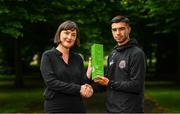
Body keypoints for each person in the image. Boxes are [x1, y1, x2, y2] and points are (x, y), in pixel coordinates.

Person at [94, 15, 146, 113]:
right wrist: (89, 87)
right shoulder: (113, 53)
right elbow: (106, 82)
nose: (117, 33)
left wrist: (109, 83)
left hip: (129, 110)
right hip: (111, 109)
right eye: (114, 30)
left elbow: (136, 85)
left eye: (121, 29)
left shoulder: (137, 53)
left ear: (129, 29)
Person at [40, 20, 93, 113]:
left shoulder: (78, 58)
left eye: (73, 35)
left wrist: (88, 73)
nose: (70, 37)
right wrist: (79, 88)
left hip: (77, 106)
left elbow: (81, 83)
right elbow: (51, 82)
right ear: (59, 34)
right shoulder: (48, 56)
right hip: (56, 106)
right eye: (66, 33)